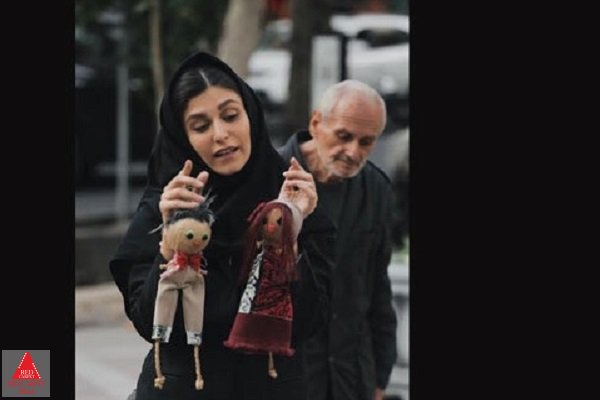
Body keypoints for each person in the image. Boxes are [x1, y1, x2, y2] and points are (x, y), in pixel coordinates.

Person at [109, 51, 335, 400]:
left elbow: (310, 322)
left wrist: (289, 235)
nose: (221, 134)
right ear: (182, 137)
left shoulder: (293, 199)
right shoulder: (167, 206)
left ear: (251, 115)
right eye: (201, 126)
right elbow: (148, 323)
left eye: (231, 116)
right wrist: (170, 245)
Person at [279, 80, 398, 400]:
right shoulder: (270, 176)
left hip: (353, 375)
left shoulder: (376, 189)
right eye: (344, 136)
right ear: (316, 123)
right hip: (285, 374)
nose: (353, 152)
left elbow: (378, 287)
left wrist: (380, 377)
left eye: (366, 142)